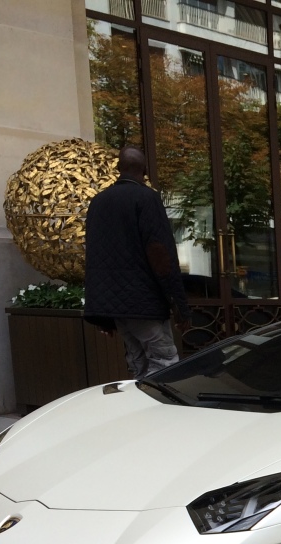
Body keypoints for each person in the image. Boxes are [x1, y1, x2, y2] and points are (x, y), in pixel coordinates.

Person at [84, 146, 190, 379]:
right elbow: (160, 254)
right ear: (144, 170)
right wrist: (179, 305)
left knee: (137, 364)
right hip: (145, 302)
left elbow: (94, 256)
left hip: (116, 306)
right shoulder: (147, 198)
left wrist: (103, 315)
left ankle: (139, 409)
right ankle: (159, 414)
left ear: (118, 168)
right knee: (164, 363)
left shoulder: (98, 202)